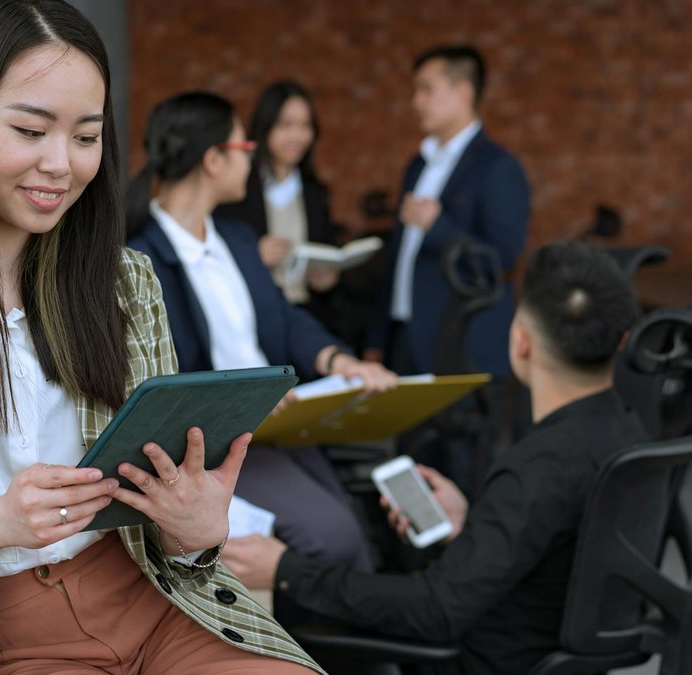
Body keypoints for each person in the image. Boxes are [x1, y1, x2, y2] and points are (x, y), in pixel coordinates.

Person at [0, 2, 321, 673]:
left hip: (158, 600)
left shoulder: (124, 280)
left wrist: (193, 528)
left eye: (85, 136)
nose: (61, 164)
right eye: (30, 129)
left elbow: (164, 509)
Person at [224, 241, 649, 675]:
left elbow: (437, 610)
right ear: (623, 340)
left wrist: (286, 568)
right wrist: (475, 527)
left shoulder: (537, 468)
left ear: (520, 343)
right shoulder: (632, 432)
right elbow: (570, 546)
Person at [124, 91, 399, 616]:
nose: (251, 158)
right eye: (245, 145)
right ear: (213, 159)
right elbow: (159, 373)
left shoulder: (238, 238)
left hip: (281, 425)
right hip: (219, 441)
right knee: (333, 536)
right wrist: (244, 401)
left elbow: (285, 320)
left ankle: (360, 647)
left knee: (357, 526)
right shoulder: (142, 259)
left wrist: (340, 362)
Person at [364, 44, 530, 379]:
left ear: (463, 92)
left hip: (461, 346)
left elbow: (501, 261)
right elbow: (400, 255)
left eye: (426, 89)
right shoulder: (418, 163)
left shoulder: (498, 167)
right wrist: (377, 337)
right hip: (405, 336)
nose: (416, 102)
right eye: (416, 91)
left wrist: (438, 227)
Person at [215, 80, 342, 325]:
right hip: (252, 316)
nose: (298, 136)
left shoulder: (315, 193)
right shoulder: (237, 190)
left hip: (305, 316)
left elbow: (326, 251)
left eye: (305, 126)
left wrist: (328, 279)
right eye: (286, 125)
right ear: (266, 127)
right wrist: (253, 256)